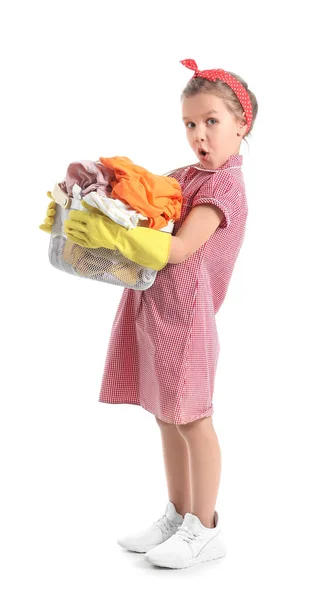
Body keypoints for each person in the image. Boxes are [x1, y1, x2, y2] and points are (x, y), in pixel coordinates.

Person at [39, 58, 258, 570]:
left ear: (241, 124)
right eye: (189, 123)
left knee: (194, 420)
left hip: (190, 320)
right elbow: (137, 204)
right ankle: (178, 513)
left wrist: (115, 236)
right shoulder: (183, 176)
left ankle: (204, 527)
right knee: (166, 417)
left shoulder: (223, 187)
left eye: (211, 121)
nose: (198, 134)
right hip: (153, 305)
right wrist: (77, 211)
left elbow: (180, 249)